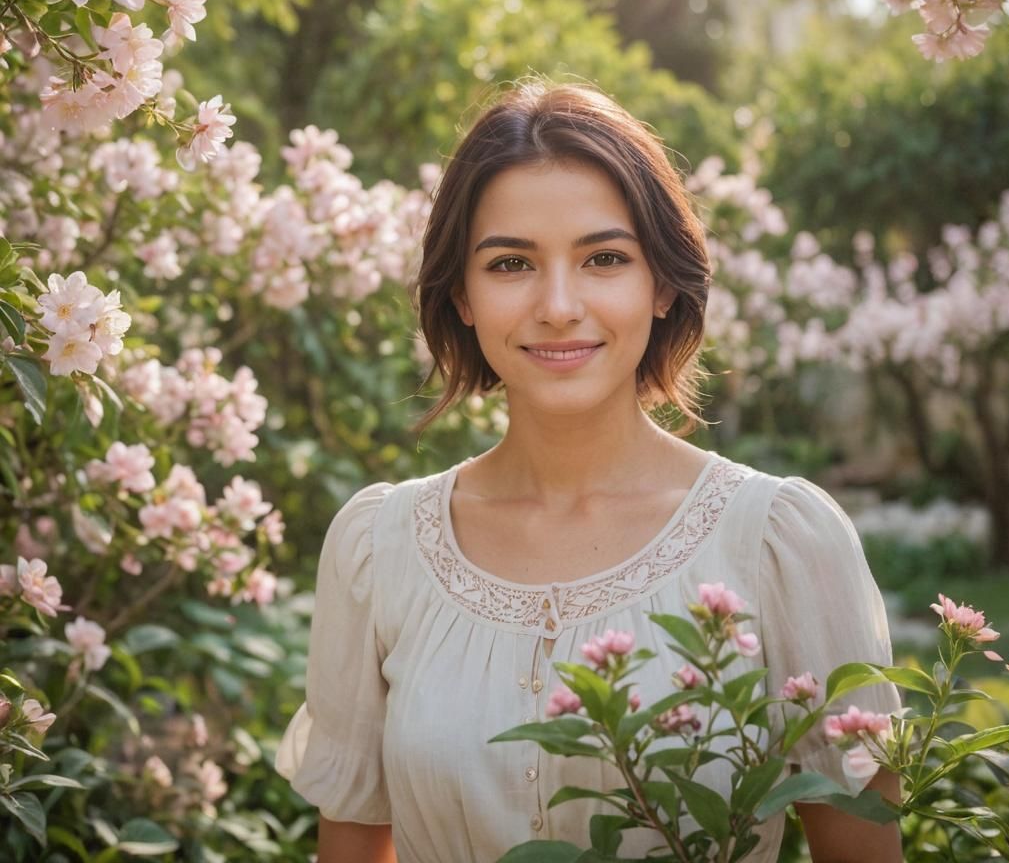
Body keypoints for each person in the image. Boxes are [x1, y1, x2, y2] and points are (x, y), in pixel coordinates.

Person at [274, 81, 902, 863]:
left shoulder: (781, 542)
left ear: (663, 283)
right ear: (462, 296)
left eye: (604, 258)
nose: (560, 305)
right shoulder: (379, 548)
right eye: (511, 263)